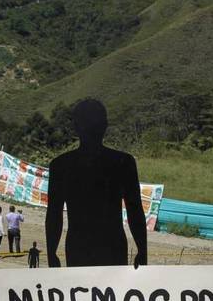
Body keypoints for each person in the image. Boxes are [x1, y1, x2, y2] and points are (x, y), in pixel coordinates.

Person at [46, 98, 147, 268]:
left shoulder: (61, 165)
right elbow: (134, 209)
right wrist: (142, 251)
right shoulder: (123, 162)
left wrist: (51, 253)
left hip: (78, 246)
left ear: (76, 127)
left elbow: (54, 215)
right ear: (105, 126)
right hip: (113, 246)